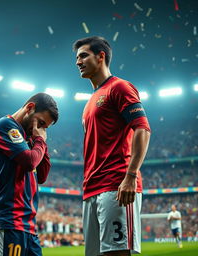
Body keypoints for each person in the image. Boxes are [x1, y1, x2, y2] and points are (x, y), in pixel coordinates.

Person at [73, 36, 151, 256]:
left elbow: (142, 129)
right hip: (91, 189)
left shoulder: (120, 87)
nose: (78, 62)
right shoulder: (90, 102)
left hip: (116, 185)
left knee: (115, 253)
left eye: (83, 56)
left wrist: (131, 175)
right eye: (77, 58)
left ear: (101, 57)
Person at [0, 93, 58, 256]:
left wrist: (40, 142)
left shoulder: (30, 139)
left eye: (45, 127)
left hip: (28, 225)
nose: (41, 130)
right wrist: (40, 142)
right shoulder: (5, 126)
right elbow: (29, 161)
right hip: (6, 221)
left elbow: (42, 175)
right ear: (30, 108)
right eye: (41, 123)